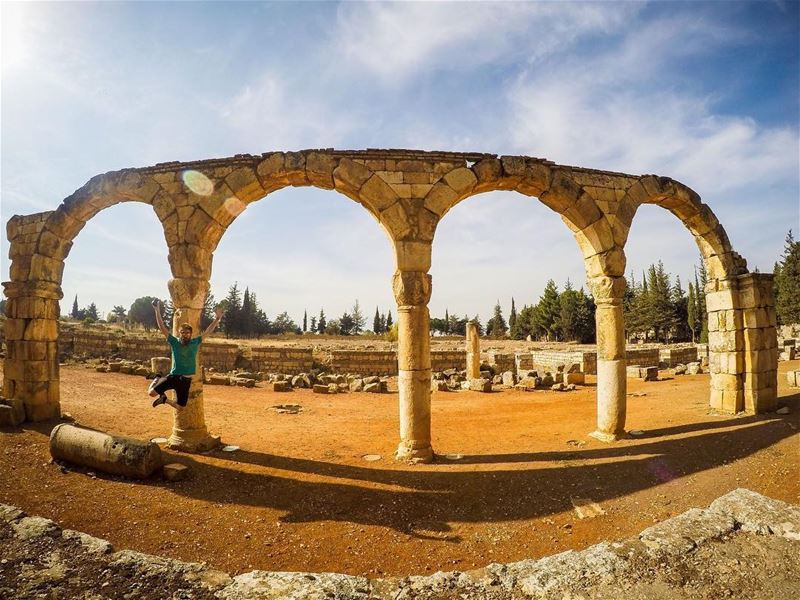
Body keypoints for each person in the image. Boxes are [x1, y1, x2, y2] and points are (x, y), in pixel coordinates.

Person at [148, 299, 223, 409]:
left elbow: (208, 331)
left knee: (180, 407)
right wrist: (157, 310)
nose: (185, 335)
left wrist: (217, 319)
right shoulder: (174, 342)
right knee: (151, 393)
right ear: (179, 333)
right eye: (182, 332)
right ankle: (157, 377)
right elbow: (162, 327)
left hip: (186, 381)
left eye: (187, 333)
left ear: (191, 334)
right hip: (174, 377)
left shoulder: (195, 342)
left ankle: (164, 399)